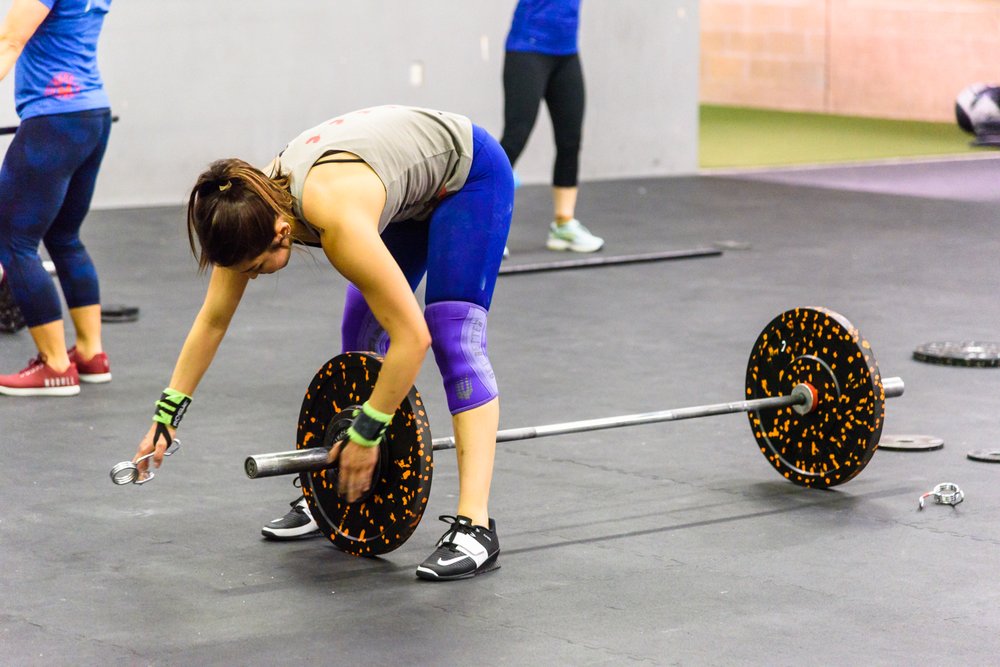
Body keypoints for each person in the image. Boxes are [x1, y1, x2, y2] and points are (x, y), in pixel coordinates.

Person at [130, 105, 513, 581]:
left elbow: (413, 339)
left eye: (254, 268)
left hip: (467, 175)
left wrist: (368, 431)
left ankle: (476, 527)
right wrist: (165, 418)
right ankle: (336, 484)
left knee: (453, 335)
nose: (251, 277)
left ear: (282, 232)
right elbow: (212, 320)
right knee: (360, 332)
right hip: (405, 191)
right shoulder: (244, 208)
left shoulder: (334, 219)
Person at [0, 0, 113, 396]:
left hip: (54, 118)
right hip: (92, 114)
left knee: (12, 241)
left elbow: (9, 40)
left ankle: (55, 365)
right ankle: (91, 354)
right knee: (64, 237)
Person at [499, 0, 603, 254]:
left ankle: (563, 224)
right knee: (516, 136)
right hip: (527, 48)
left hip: (567, 51)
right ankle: (483, 230)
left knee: (570, 140)